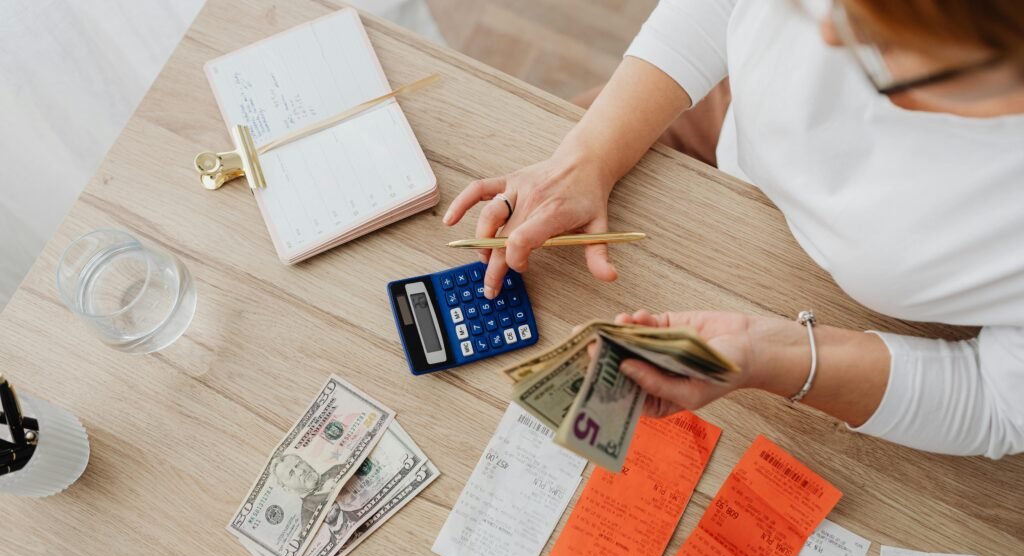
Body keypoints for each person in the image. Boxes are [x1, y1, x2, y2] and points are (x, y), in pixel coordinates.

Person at [443, 0, 1024, 458]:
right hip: (726, 109)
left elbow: (996, 400)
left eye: (884, 29)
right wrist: (588, 154)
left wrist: (768, 355)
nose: (824, 32)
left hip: (840, 308)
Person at [270, 453, 346, 526]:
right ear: (288, 490)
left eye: (298, 464)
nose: (300, 471)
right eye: (291, 473)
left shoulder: (337, 469)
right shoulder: (308, 519)